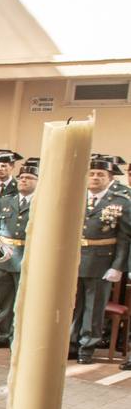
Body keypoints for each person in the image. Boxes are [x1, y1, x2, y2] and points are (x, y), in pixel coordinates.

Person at [71, 156, 131, 363]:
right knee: (73, 305)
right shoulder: (76, 197)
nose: (95, 178)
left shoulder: (119, 202)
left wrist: (118, 267)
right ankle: (70, 342)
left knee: (93, 308)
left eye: (100, 175)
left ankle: (86, 347)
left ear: (110, 178)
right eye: (92, 174)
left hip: (101, 262)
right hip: (75, 259)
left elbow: (124, 238)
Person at [0, 161, 37, 349]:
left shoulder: (41, 203)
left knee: (22, 301)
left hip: (26, 258)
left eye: (29, 178)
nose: (23, 181)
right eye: (21, 177)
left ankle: (18, 335)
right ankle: (2, 334)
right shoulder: (6, 200)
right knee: (4, 300)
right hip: (5, 257)